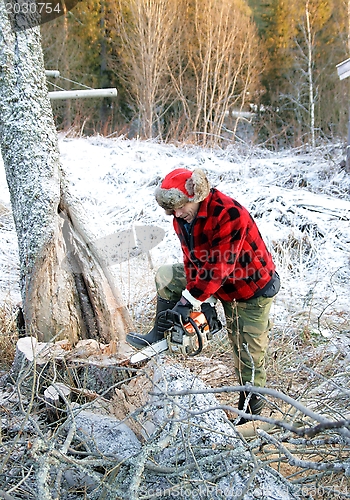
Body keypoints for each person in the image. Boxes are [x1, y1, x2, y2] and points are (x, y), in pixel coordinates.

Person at [126, 168, 280, 423]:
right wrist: (201, 300)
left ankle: (251, 417)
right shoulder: (181, 217)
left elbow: (220, 267)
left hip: (248, 288)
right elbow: (192, 260)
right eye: (171, 209)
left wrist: (190, 301)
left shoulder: (229, 213)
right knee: (167, 274)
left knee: (247, 355)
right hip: (216, 279)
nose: (176, 214)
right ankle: (157, 334)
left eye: (180, 207)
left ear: (196, 196)